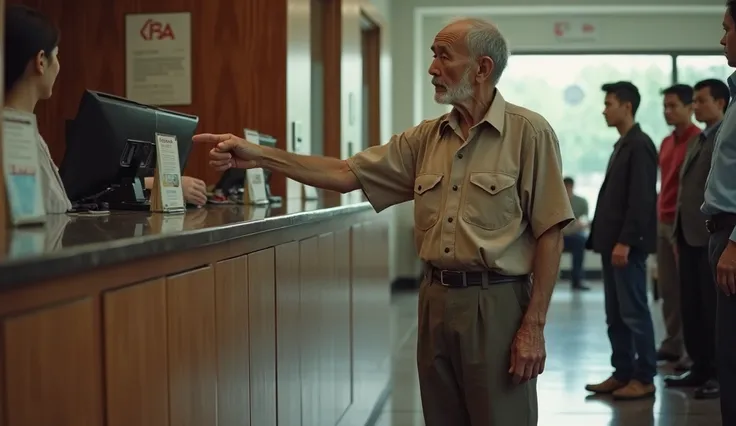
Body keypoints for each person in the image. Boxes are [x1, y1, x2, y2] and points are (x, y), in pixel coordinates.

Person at [195, 17, 574, 426]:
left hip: (497, 303)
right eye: (432, 55)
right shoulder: (425, 138)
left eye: (443, 56)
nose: (432, 68)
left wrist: (533, 326)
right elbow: (344, 173)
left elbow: (550, 231)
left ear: (481, 68)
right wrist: (260, 155)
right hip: (435, 301)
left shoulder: (529, 133)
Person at [4, 4, 208, 210]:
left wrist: (148, 185)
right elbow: (54, 206)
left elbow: (68, 194)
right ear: (41, 61)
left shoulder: (24, 131)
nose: (58, 65)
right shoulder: (15, 136)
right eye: (56, 55)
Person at [584, 81, 659, 400]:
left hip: (625, 245)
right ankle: (623, 372)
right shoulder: (624, 143)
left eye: (609, 103)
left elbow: (641, 199)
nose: (604, 109)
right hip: (611, 243)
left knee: (633, 312)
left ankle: (644, 377)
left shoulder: (640, 144)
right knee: (615, 313)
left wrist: (626, 241)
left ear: (627, 106)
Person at [665, 78, 729, 400]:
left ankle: (718, 373)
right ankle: (700, 365)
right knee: (691, 306)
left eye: (701, 101)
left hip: (709, 235)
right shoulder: (699, 139)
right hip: (687, 235)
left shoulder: (724, 137)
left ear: (720, 102)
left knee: (712, 308)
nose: (696, 106)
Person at [703, 2, 736, 422]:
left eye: (727, 28)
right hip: (722, 233)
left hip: (731, 235)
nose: (721, 39)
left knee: (732, 354)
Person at [655, 84, 700, 366]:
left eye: (673, 106)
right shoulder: (666, 142)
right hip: (662, 220)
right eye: (665, 107)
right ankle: (673, 342)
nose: (668, 112)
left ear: (689, 107)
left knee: (689, 288)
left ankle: (691, 350)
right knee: (668, 288)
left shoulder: (699, 140)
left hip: (684, 224)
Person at [562, 177, 590, 291]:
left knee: (580, 241)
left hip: (572, 236)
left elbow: (584, 221)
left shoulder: (581, 202)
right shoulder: (554, 201)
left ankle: (577, 279)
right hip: (558, 235)